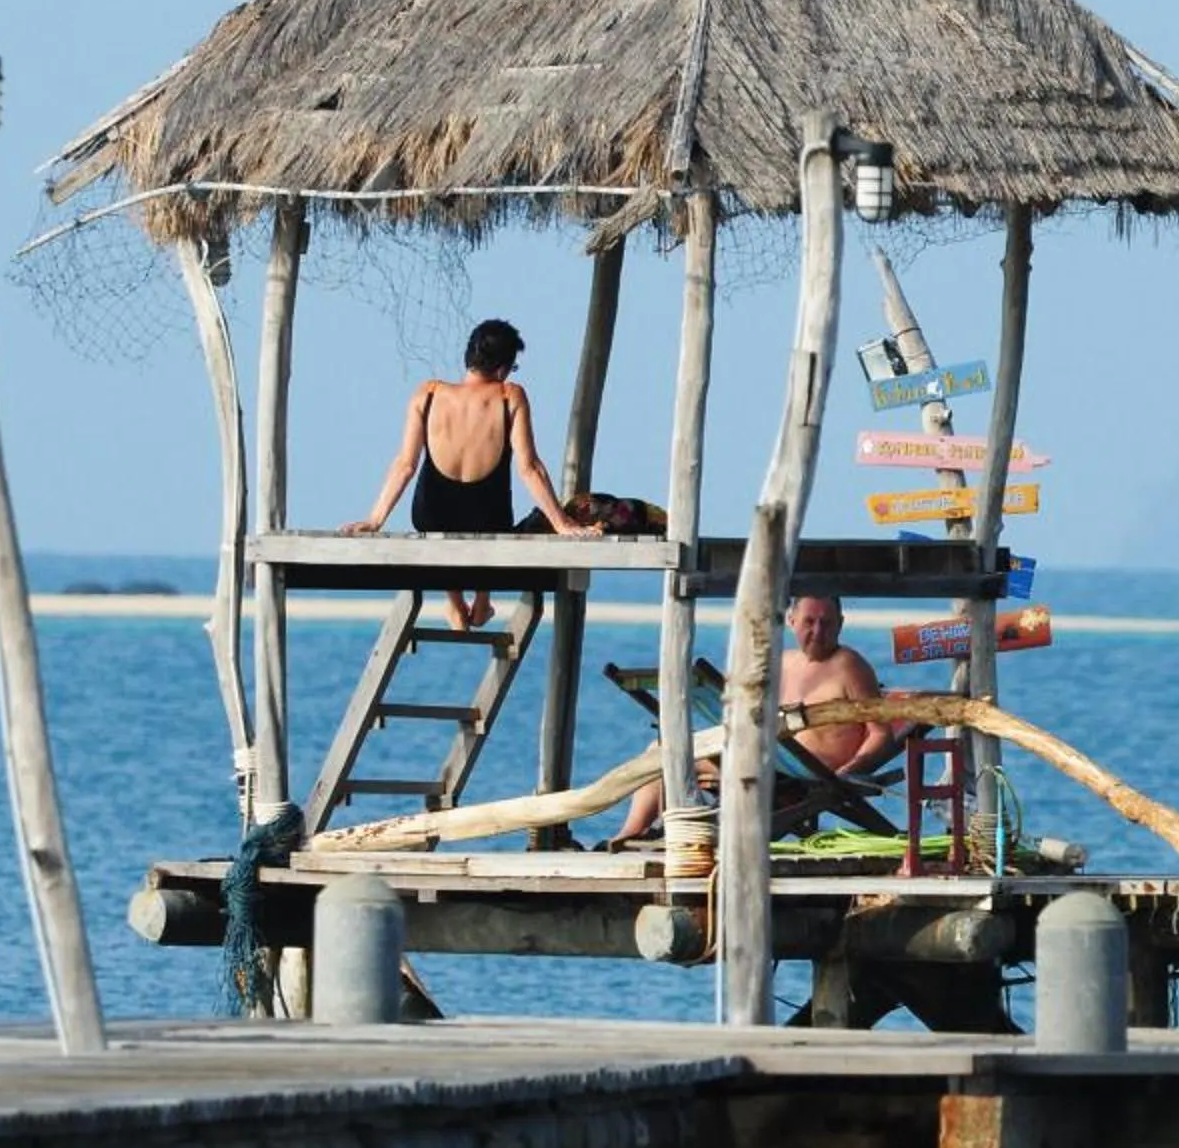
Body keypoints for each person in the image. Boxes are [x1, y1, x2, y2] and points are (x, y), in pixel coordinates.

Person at [342, 318, 597, 627]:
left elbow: (405, 465)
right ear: (504, 368)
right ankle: (482, 599)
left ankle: (455, 603)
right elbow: (529, 468)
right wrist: (562, 523)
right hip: (489, 521)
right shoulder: (509, 395)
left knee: (444, 522)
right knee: (486, 521)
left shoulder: (429, 393)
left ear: (469, 358)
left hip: (431, 516)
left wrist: (375, 520)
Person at [609, 594, 906, 844]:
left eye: (827, 623)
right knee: (661, 750)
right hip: (772, 759)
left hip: (812, 771)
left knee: (670, 754)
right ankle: (634, 833)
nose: (818, 630)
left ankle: (647, 833)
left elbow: (881, 734)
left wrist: (849, 771)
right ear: (791, 622)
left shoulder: (850, 666)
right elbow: (737, 689)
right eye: (809, 622)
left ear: (841, 624)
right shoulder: (785, 662)